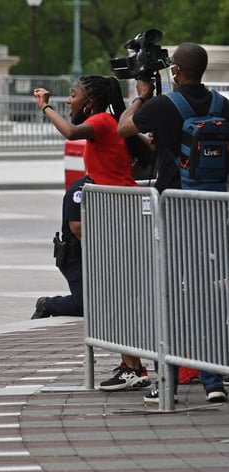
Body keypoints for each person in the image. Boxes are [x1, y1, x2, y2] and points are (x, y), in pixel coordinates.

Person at [118, 42, 229, 404]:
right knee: (204, 294)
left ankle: (166, 382)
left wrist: (142, 96)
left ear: (176, 71)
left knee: (167, 294)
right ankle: (213, 381)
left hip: (175, 210)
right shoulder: (222, 105)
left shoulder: (163, 106)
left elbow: (123, 129)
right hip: (212, 209)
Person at [36, 76, 151, 393]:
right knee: (119, 295)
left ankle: (135, 368)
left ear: (89, 102)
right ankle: (132, 364)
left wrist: (44, 106)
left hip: (118, 218)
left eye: (72, 95)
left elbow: (71, 132)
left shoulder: (100, 121)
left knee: (120, 297)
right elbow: (143, 159)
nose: (68, 101)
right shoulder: (111, 122)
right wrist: (118, 179)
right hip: (119, 214)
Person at [31, 176, 85, 319]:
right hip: (76, 256)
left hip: (102, 253)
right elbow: (78, 229)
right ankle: (47, 304)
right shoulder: (80, 190)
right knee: (84, 305)